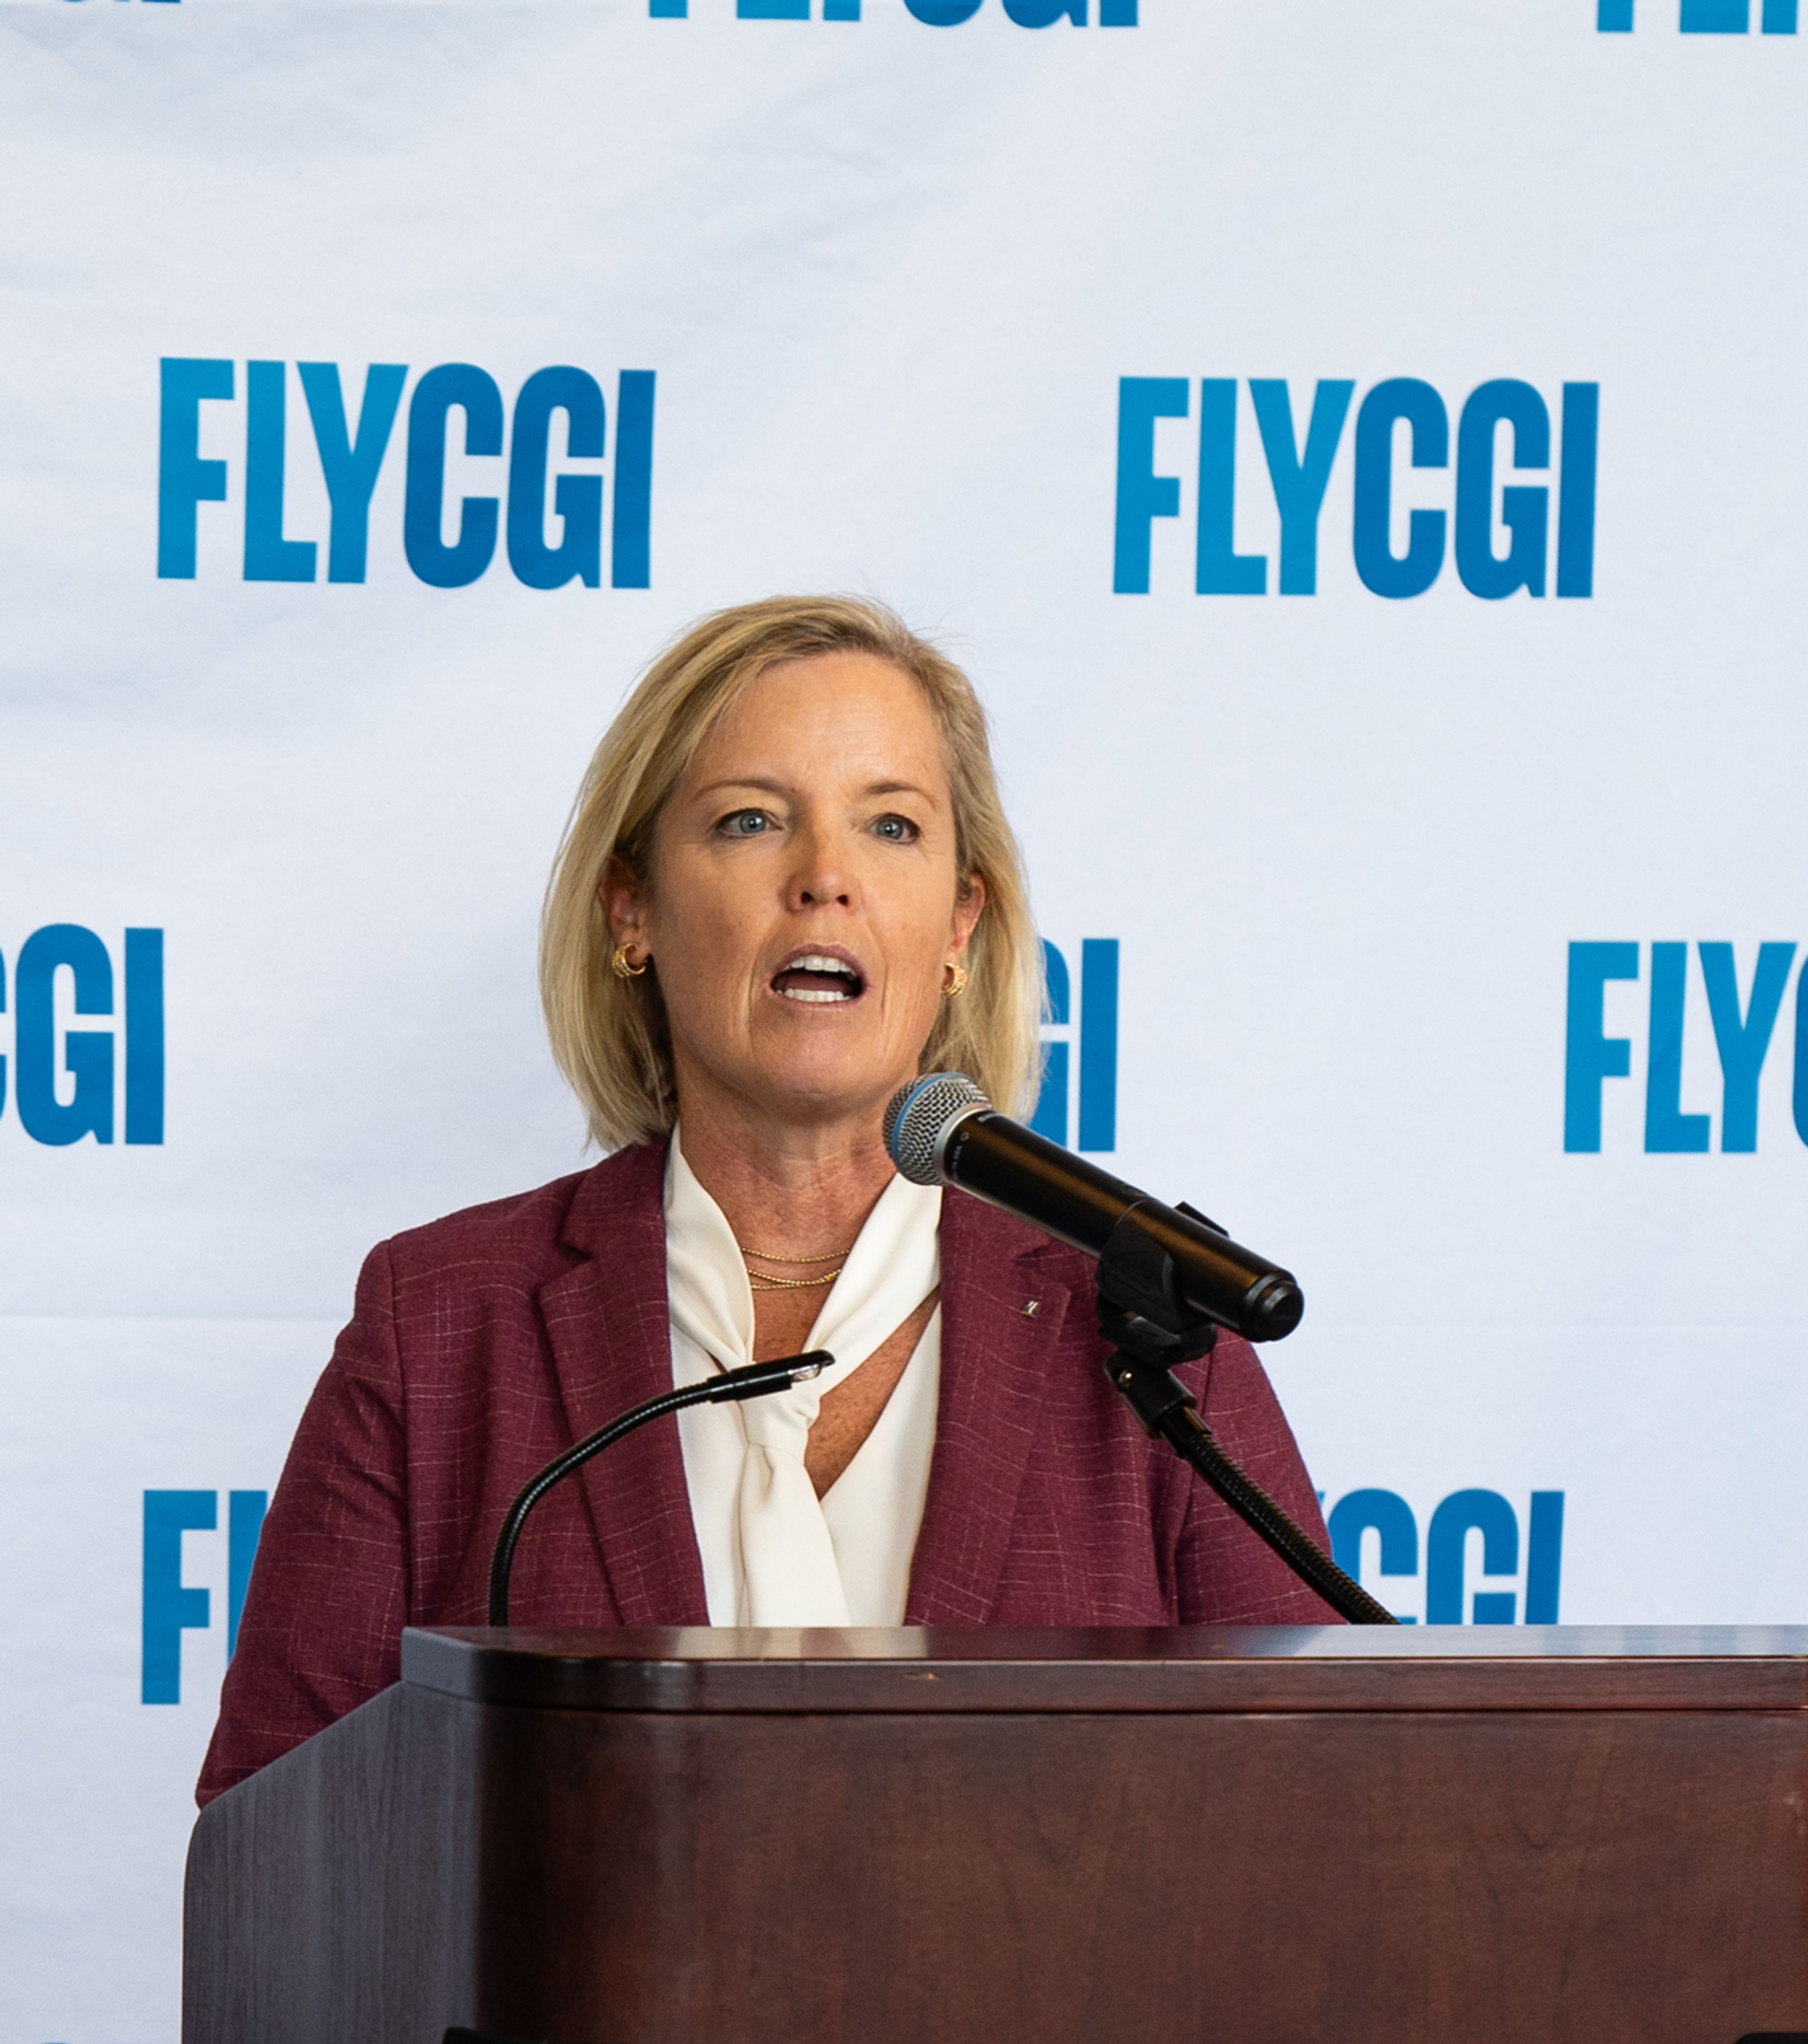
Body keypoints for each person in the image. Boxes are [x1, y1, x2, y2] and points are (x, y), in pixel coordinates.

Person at [199, 596, 1332, 1804]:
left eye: (891, 827)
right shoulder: (438, 1326)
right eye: (750, 821)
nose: (826, 879)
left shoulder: (1145, 1331)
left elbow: (1332, 1808)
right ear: (630, 909)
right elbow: (275, 1838)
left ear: (960, 926)